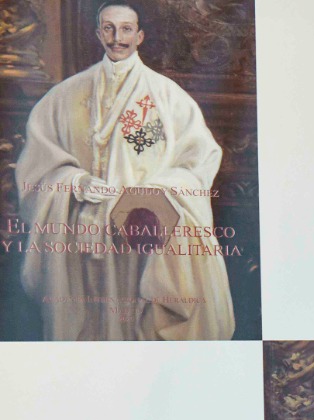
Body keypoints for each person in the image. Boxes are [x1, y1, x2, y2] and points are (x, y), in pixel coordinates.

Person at [15, 2, 235, 341]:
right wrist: (74, 182)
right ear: (98, 32)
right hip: (82, 235)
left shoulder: (168, 97)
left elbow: (199, 161)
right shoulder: (61, 97)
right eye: (109, 28)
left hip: (140, 239)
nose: (117, 38)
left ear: (140, 35)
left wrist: (156, 192)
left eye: (126, 29)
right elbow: (38, 166)